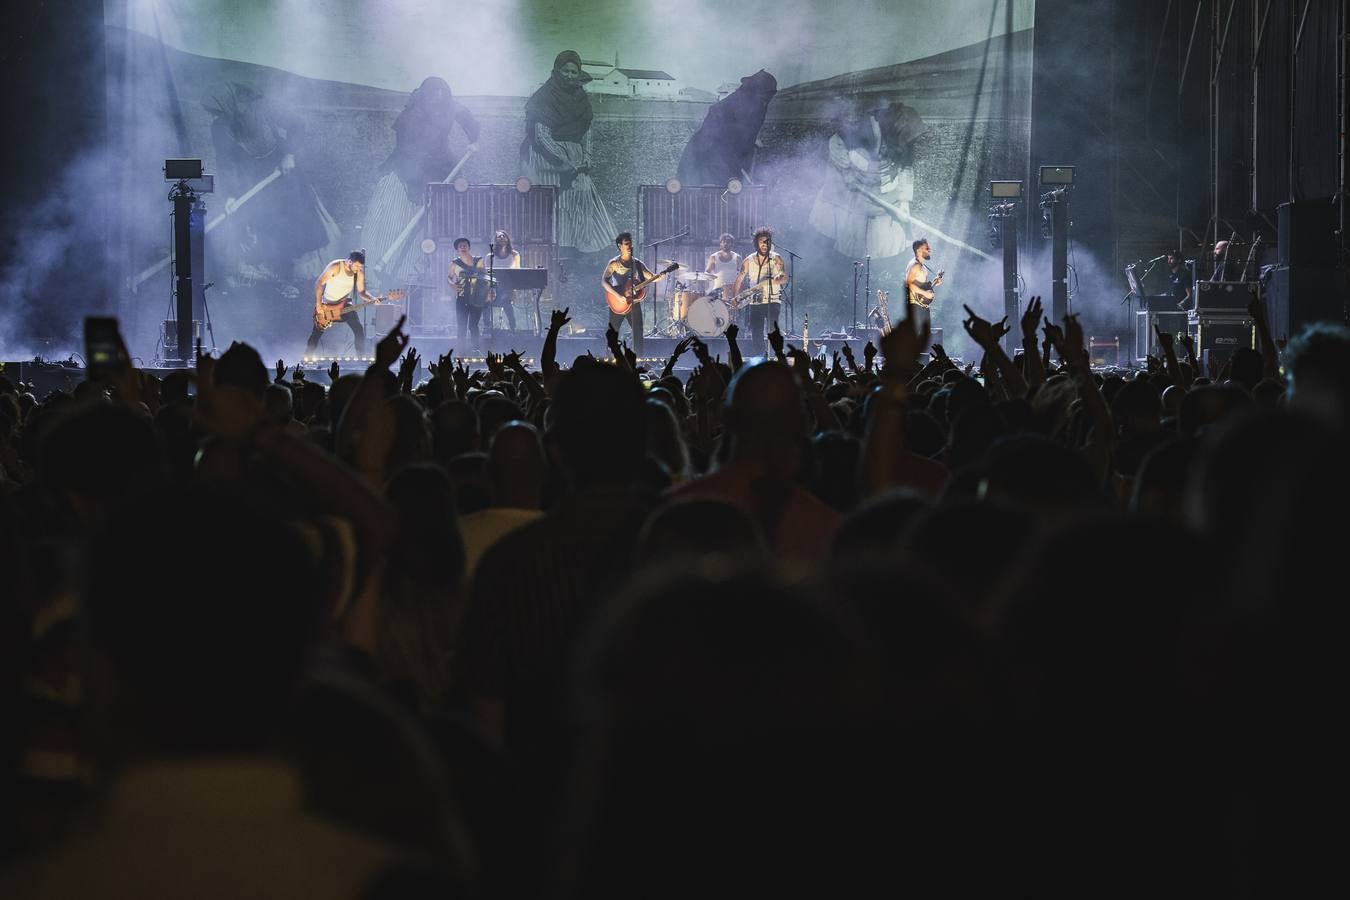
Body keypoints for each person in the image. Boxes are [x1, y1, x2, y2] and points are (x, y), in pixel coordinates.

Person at [362, 76, 480, 279]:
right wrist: (417, 190)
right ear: (425, 98)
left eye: (442, 100)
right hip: (407, 170)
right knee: (403, 219)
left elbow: (467, 119)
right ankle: (395, 272)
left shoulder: (449, 106)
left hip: (441, 163)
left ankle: (444, 268)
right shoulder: (411, 116)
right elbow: (407, 154)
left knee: (444, 216)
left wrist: (473, 140)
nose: (438, 106)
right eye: (434, 100)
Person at [520, 50, 617, 253]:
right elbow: (541, 136)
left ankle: (577, 250)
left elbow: (586, 129)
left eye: (574, 72)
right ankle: (552, 248)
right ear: (557, 71)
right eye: (566, 71)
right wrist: (563, 161)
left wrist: (586, 156)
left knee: (581, 197)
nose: (570, 76)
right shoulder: (545, 96)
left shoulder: (580, 96)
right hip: (546, 157)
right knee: (552, 202)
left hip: (574, 155)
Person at [809, 97, 926, 260]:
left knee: (884, 234)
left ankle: (884, 260)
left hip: (874, 188)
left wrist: (904, 202)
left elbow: (905, 167)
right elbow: (858, 165)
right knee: (851, 231)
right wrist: (849, 174)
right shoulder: (860, 133)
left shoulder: (901, 137)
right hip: (849, 189)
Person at [602, 232, 669, 357]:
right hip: (617, 302)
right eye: (626, 243)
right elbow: (604, 281)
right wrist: (618, 296)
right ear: (620, 246)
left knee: (638, 331)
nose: (630, 246)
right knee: (613, 332)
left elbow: (651, 277)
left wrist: (659, 277)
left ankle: (638, 359)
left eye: (630, 243)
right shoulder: (614, 263)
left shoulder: (637, 263)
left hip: (633, 302)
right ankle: (609, 359)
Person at [306, 251, 380, 357]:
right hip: (326, 305)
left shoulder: (359, 273)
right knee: (316, 333)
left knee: (358, 329)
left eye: (360, 267)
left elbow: (362, 292)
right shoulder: (335, 266)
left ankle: (361, 357)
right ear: (349, 261)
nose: (358, 269)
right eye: (356, 266)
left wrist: (373, 299)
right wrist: (318, 305)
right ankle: (307, 357)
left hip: (343, 305)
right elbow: (319, 283)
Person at [731, 227, 788, 356]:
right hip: (755, 301)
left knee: (772, 330)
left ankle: (776, 356)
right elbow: (739, 279)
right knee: (756, 331)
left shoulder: (776, 258)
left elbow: (784, 278)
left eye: (767, 241)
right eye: (762, 241)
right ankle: (761, 358)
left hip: (773, 300)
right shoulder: (748, 260)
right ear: (756, 243)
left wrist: (778, 279)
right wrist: (735, 297)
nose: (765, 244)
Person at [449, 238, 488, 349]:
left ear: (469, 247)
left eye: (465, 245)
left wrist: (488, 292)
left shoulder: (478, 260)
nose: (463, 248)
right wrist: (452, 284)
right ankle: (461, 351)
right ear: (457, 249)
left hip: (477, 298)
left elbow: (486, 277)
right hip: (461, 298)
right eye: (460, 246)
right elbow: (449, 278)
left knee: (473, 325)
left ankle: (476, 350)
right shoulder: (454, 263)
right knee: (461, 327)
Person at [485, 229, 522, 334]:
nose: (501, 237)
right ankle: (487, 328)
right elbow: (486, 274)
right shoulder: (490, 256)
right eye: (499, 236)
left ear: (507, 239)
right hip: (493, 286)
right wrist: (488, 290)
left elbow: (517, 272)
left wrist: (515, 290)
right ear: (495, 240)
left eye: (504, 236)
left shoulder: (514, 254)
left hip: (507, 286)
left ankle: (513, 327)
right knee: (486, 303)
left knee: (506, 302)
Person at [903, 238, 942, 329]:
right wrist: (925, 293)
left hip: (921, 307)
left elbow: (920, 286)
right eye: (927, 248)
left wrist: (934, 283)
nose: (929, 250)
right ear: (919, 251)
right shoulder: (915, 265)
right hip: (915, 308)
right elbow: (909, 284)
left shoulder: (922, 266)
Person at [705, 233, 742, 306]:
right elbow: (707, 273)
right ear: (720, 244)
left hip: (733, 291)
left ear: (732, 244)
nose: (725, 244)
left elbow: (742, 274)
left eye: (728, 242)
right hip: (717, 291)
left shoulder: (737, 257)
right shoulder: (714, 257)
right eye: (723, 242)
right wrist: (707, 283)